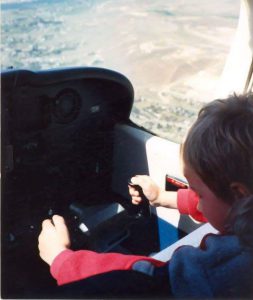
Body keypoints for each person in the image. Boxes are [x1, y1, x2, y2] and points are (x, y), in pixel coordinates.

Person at [38, 94, 253, 298]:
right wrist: (161, 197)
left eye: (198, 192)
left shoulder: (220, 270)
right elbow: (223, 204)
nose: (195, 197)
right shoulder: (244, 213)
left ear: (240, 196)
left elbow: (145, 277)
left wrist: (62, 259)